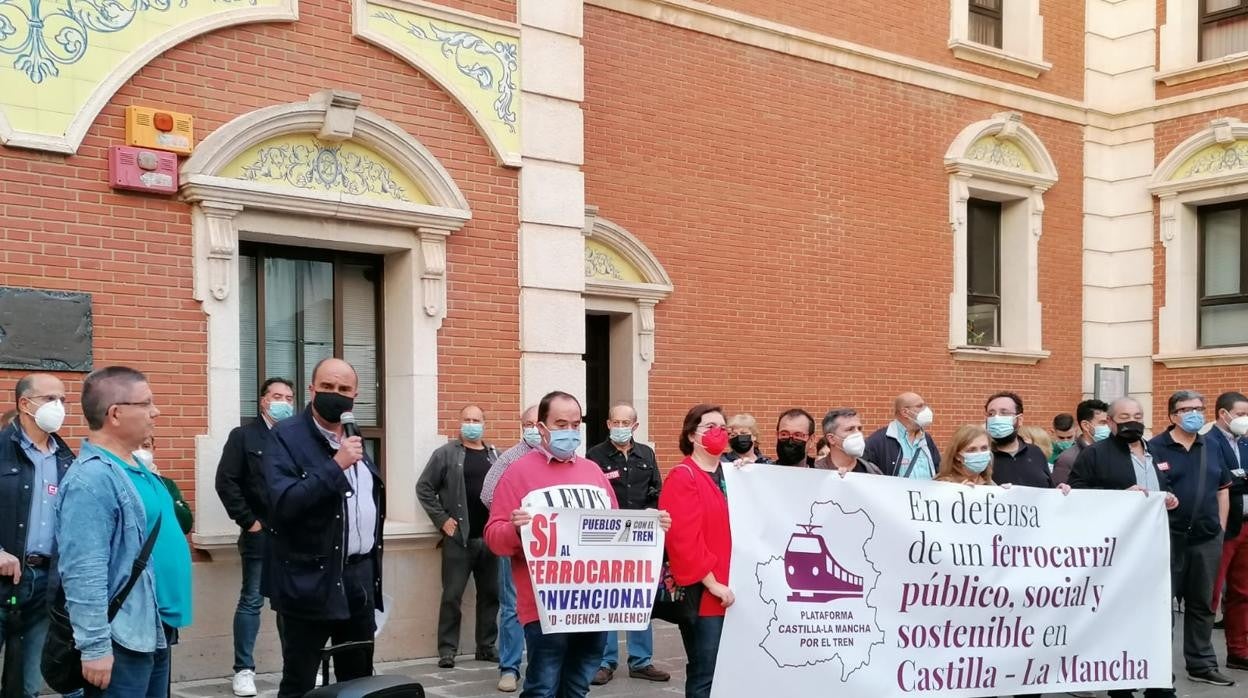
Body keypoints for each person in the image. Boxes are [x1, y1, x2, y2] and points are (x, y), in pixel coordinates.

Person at [485, 391, 669, 698]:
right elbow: (494, 537)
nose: (569, 431)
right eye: (560, 423)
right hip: (544, 607)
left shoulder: (592, 472)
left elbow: (614, 529)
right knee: (542, 687)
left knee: (578, 686)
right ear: (542, 428)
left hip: (593, 604)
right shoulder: (517, 473)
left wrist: (649, 527)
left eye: (574, 424)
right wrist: (516, 531)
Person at [57, 366, 193, 697]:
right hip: (121, 636)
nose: (155, 412)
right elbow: (83, 570)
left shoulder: (138, 468)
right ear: (115, 414)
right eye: (146, 403)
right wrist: (94, 647)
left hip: (152, 627)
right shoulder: (91, 480)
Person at [263, 358, 385, 698]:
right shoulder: (285, 438)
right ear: (312, 389)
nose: (336, 395)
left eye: (344, 389)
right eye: (328, 387)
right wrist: (336, 465)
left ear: (355, 395)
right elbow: (284, 503)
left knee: (357, 681)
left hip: (358, 579)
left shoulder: (353, 435)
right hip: (309, 579)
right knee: (300, 680)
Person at [1069, 397, 1180, 698]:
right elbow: (1076, 494)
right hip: (1116, 553)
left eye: (1138, 415)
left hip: (1156, 549)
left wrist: (1169, 497)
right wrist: (1119, 495)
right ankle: (1122, 685)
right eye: (1125, 416)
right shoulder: (1094, 455)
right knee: (1121, 617)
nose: (1133, 420)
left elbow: (1167, 486)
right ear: (1111, 422)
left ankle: (1160, 681)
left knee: (1160, 616)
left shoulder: (1156, 451)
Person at [1149, 390, 1235, 687]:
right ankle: (1159, 669)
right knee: (1163, 607)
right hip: (1167, 540)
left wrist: (1220, 527)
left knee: (1202, 604)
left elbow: (1223, 488)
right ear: (1172, 415)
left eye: (1198, 408)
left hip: (1206, 539)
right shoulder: (1154, 448)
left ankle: (1201, 664)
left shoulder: (1211, 445)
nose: (1194, 413)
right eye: (1186, 409)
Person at [214, 376, 293, 697]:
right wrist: (249, 522)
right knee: (251, 601)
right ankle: (244, 670)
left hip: (292, 537)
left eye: (289, 397)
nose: (284, 402)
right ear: (263, 400)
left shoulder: (296, 437)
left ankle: (296, 665)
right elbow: (226, 482)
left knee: (290, 604)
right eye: (277, 396)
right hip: (259, 536)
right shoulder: (244, 436)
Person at [0, 374, 75, 698]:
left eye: (62, 399)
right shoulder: (2, 450)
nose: (58, 406)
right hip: (4, 579)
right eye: (49, 399)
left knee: (26, 685)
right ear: (24, 404)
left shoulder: (67, 459)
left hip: (46, 584)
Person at [585, 403, 669, 685]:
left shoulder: (646, 454)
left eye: (626, 423)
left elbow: (656, 490)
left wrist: (652, 511)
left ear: (635, 426)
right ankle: (605, 661)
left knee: (639, 598)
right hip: (606, 539)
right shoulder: (594, 456)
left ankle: (641, 660)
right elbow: (590, 494)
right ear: (608, 424)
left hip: (640, 539)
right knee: (608, 598)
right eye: (615, 422)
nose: (620, 427)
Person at [659, 404, 735, 698]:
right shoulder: (683, 476)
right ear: (692, 435)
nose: (719, 433)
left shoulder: (733, 474)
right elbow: (683, 539)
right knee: (706, 671)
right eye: (710, 427)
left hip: (734, 587)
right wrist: (712, 583)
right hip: (707, 595)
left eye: (722, 427)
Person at [417, 405, 500, 670]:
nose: (471, 424)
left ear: (484, 423)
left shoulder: (495, 456)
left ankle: (486, 647)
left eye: (476, 420)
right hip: (459, 540)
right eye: (467, 419)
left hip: (489, 539)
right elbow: (424, 487)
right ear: (459, 422)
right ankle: (447, 650)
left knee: (491, 595)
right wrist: (442, 520)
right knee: (452, 596)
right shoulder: (445, 454)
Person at [480, 405, 539, 693]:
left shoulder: (562, 459)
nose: (533, 429)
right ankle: (510, 667)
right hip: (516, 544)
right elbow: (488, 494)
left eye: (537, 423)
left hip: (552, 549)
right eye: (528, 423)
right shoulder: (510, 459)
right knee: (512, 606)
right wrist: (512, 520)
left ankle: (542, 666)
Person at [1209, 391, 1248, 671]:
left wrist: (1238, 477)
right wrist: (1239, 476)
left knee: (1242, 592)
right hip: (1222, 527)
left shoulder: (1245, 441)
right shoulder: (1207, 442)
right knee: (1209, 594)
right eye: (1241, 414)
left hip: (1246, 523)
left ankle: (1239, 651)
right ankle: (1200, 658)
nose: (1245, 419)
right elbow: (1220, 480)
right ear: (1224, 414)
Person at [864, 392, 940, 479]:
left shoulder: (926, 438)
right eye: (920, 406)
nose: (926, 410)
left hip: (926, 492)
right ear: (905, 412)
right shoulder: (879, 441)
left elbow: (938, 469)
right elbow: (861, 468)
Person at [984, 392, 1052, 489]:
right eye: (991, 413)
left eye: (1004, 413)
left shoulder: (1036, 452)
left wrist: (1061, 492)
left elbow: (1049, 489)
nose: (996, 418)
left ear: (1019, 420)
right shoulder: (982, 457)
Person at [135, 437, 193, 535]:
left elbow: (185, 524)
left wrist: (159, 490)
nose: (140, 452)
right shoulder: (118, 481)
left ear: (153, 449)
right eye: (133, 446)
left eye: (146, 446)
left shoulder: (166, 484)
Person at [1052, 399, 1109, 487]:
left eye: (1109, 422)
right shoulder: (1067, 459)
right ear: (1086, 425)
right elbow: (1059, 494)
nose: (1108, 427)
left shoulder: (1113, 453)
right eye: (1103, 423)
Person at [813, 408, 882, 475]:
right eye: (850, 429)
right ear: (831, 439)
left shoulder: (872, 471)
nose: (857, 433)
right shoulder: (815, 471)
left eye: (859, 429)